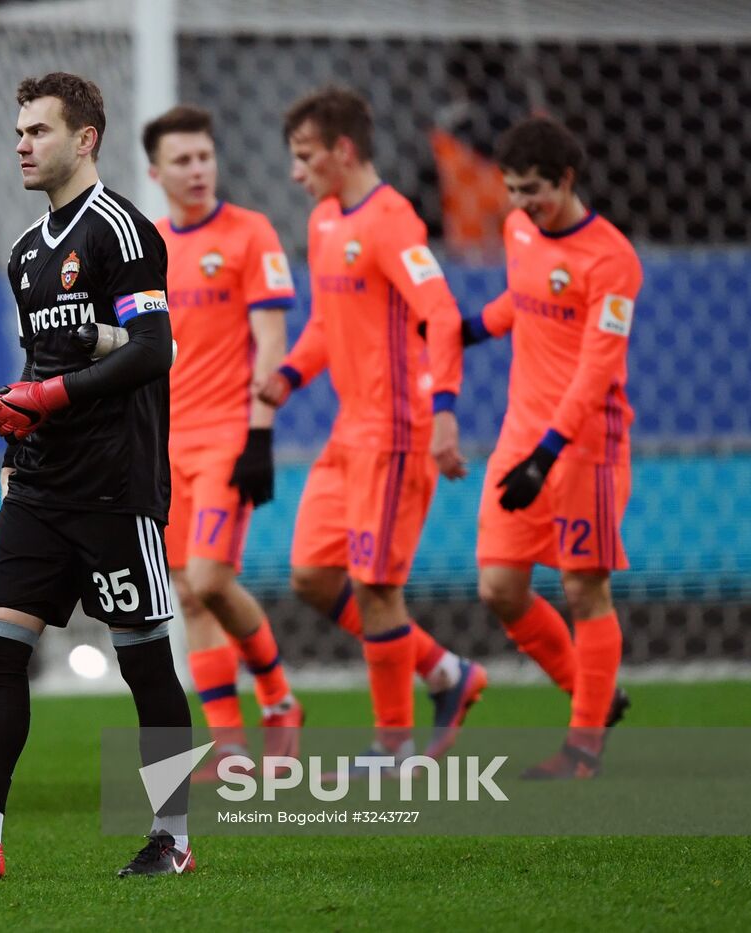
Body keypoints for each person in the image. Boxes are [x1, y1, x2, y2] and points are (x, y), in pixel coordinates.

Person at [0, 72, 193, 880]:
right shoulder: (28, 251)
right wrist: (7, 427)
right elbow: (43, 363)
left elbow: (152, 350)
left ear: (85, 137)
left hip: (113, 485)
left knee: (144, 660)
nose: (21, 144)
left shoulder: (121, 232)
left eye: (37, 130)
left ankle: (174, 836)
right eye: (19, 131)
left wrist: (48, 393)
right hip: (38, 485)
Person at [258, 87, 484, 761]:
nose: (296, 172)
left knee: (376, 585)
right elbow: (327, 323)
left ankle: (393, 745)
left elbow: (441, 315)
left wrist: (444, 414)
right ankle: (447, 672)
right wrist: (286, 379)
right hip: (350, 431)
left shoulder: (392, 221)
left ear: (343, 150)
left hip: (398, 429)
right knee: (311, 575)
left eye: (305, 157)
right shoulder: (325, 219)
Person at [463, 116, 639, 778]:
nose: (520, 203)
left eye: (532, 189)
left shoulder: (613, 259)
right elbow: (525, 296)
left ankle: (583, 746)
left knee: (583, 587)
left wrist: (549, 453)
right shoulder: (519, 229)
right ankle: (596, 695)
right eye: (511, 189)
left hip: (586, 445)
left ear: (566, 180)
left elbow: (598, 367)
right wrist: (474, 328)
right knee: (500, 585)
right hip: (522, 434)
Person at [140, 104, 303, 772]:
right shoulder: (147, 246)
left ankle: (278, 697)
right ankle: (229, 743)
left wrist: (260, 433)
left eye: (205, 155)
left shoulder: (251, 234)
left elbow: (271, 339)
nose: (198, 169)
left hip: (228, 435)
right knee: (184, 590)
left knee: (210, 577)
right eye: (182, 160)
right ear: (156, 173)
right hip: (163, 442)